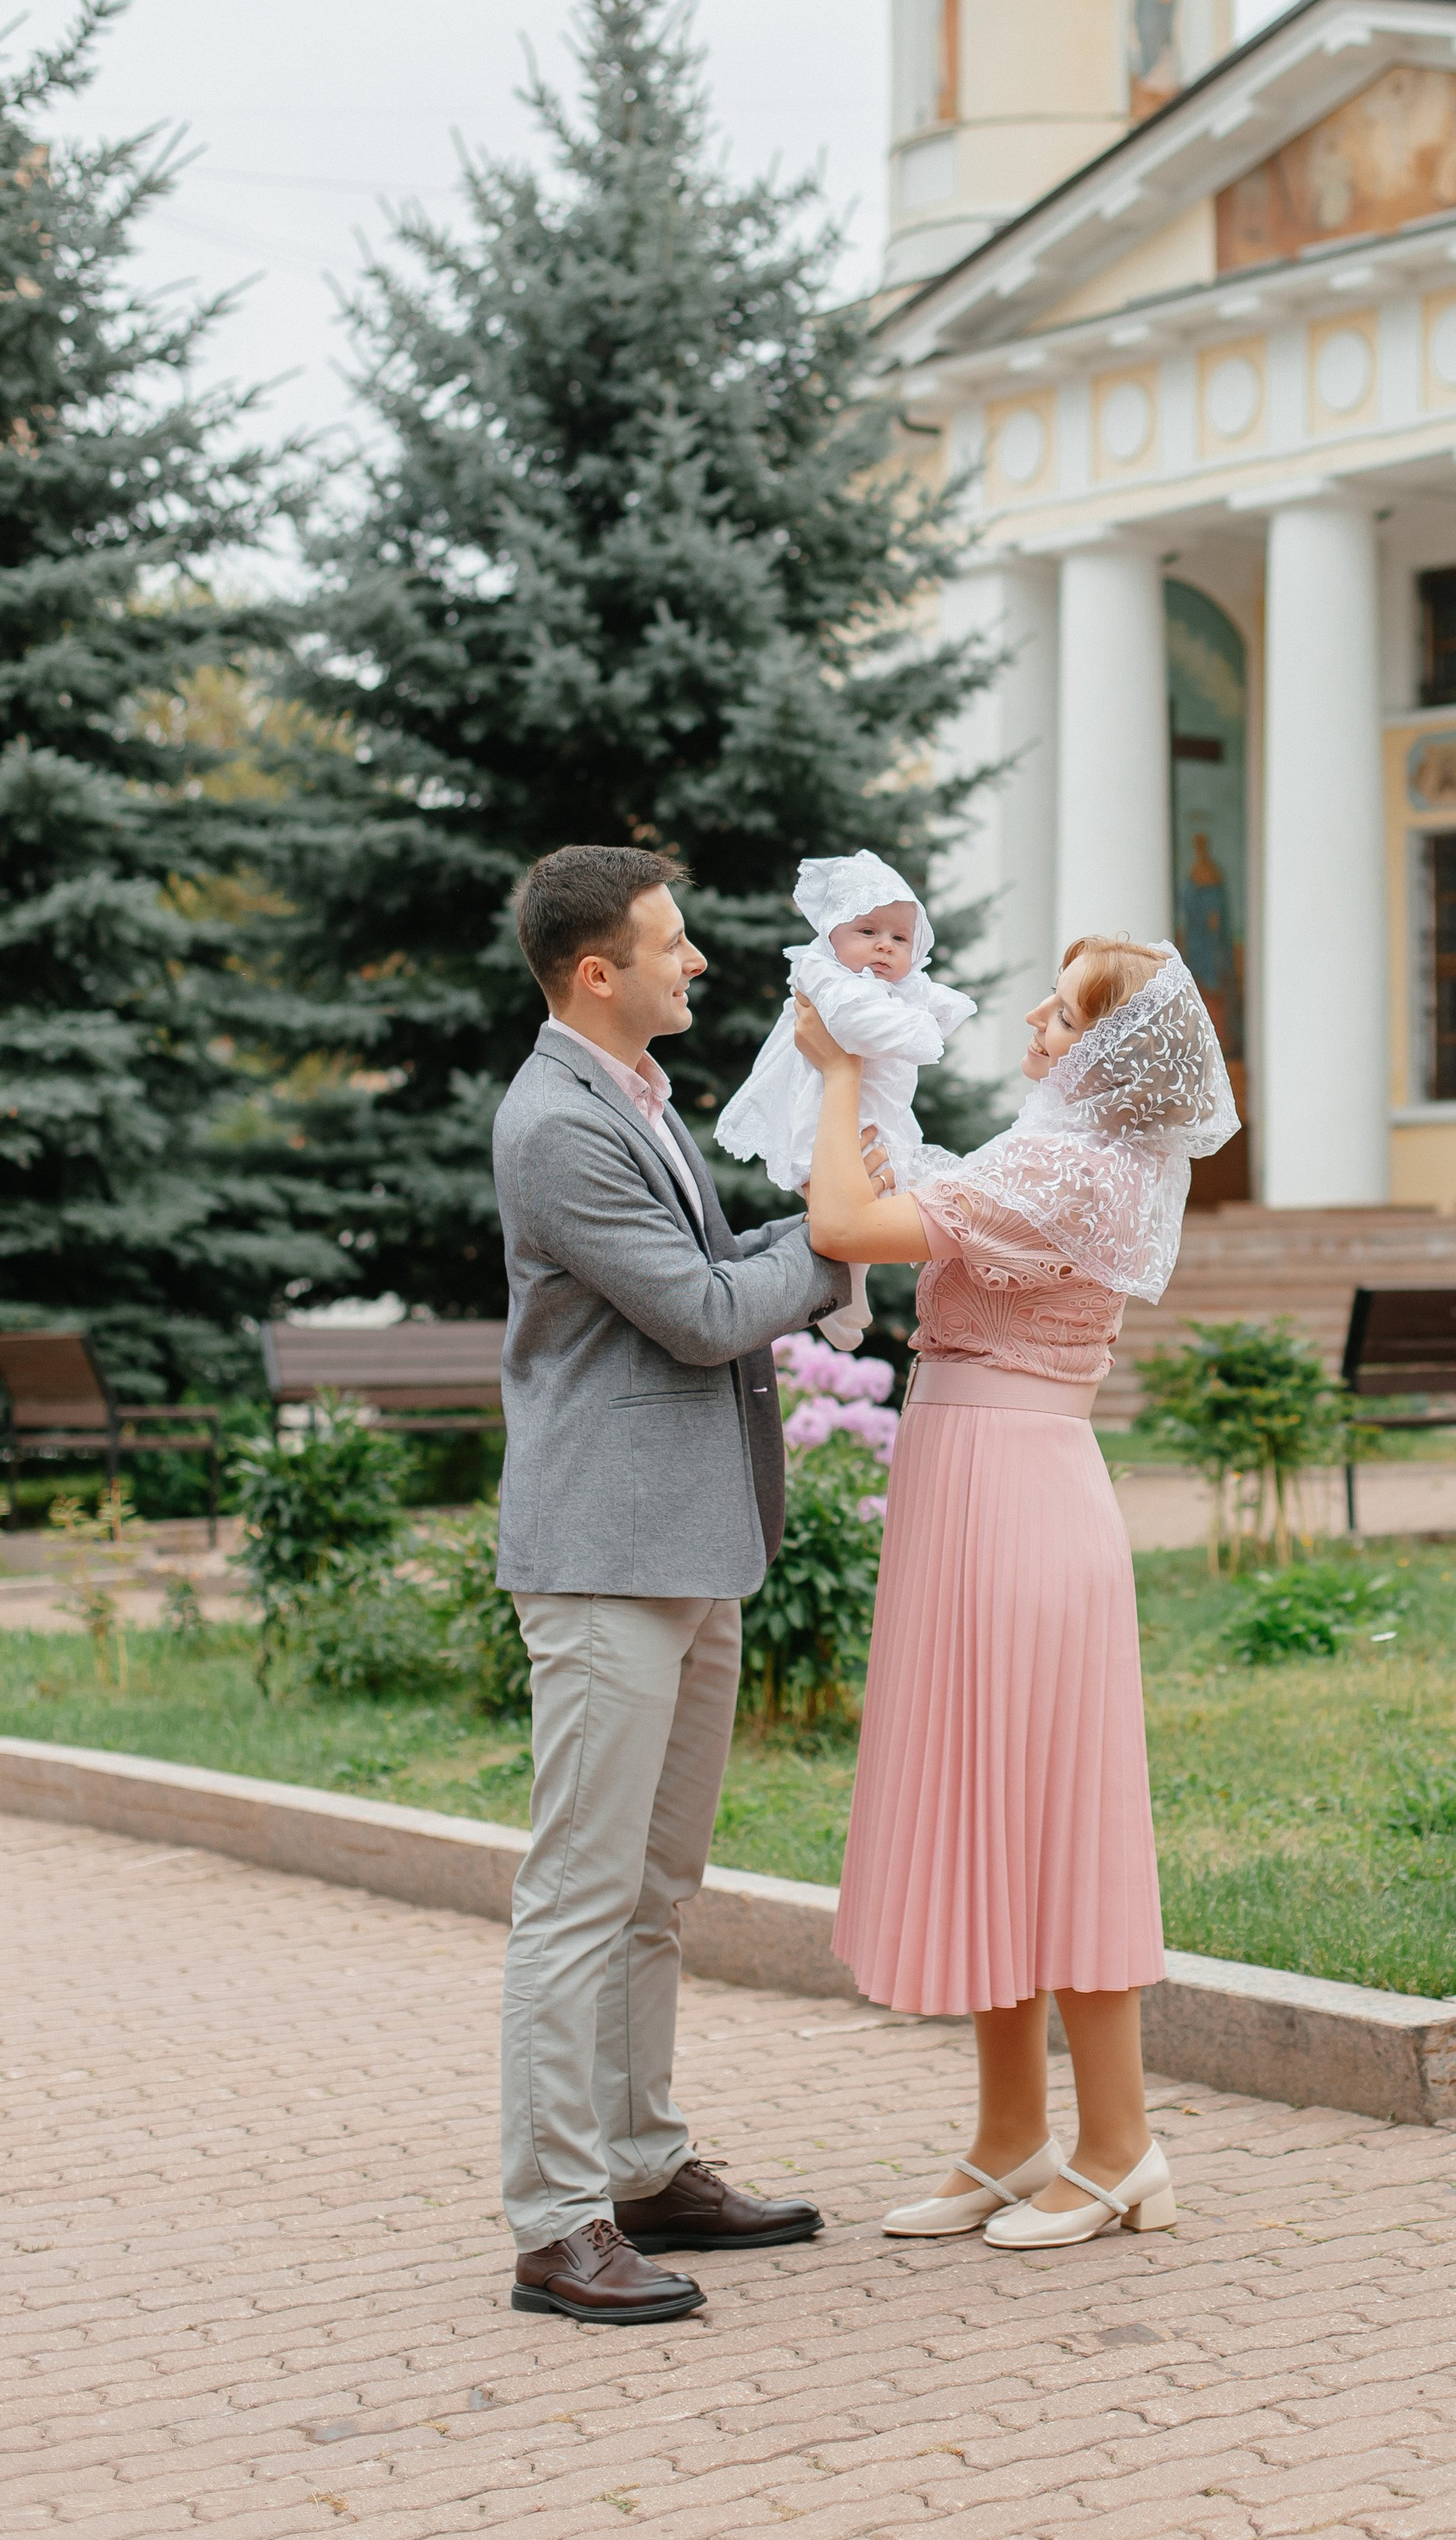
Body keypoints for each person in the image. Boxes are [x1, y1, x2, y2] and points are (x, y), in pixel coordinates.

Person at [793, 935, 1239, 2249]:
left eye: (1067, 1013)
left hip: (1016, 1493)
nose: (1038, 1024)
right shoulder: (1055, 1153)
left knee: (1049, 1816)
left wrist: (836, 1069)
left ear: (1114, 1055)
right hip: (975, 1481)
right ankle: (1010, 2138)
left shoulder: (1070, 1167)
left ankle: (1120, 2147)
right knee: (993, 1808)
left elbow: (841, 1227)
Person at [491, 844, 853, 2325]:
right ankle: (555, 2219)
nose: (696, 959)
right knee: (579, 1894)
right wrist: (838, 1247)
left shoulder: (633, 1095)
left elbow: (706, 1259)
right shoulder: (555, 1124)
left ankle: (642, 2167)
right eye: (671, 942)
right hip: (604, 1558)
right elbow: (702, 1314)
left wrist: (825, 1225)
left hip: (690, 1543)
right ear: (598, 973)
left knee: (653, 1888)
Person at [714, 850, 974, 1350]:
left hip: (873, 1110)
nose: (884, 946)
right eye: (868, 931)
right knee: (845, 1198)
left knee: (875, 1196)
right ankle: (841, 1289)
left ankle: (846, 1287)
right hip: (822, 1111)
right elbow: (858, 1026)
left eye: (900, 938)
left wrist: (942, 1008)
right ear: (832, 932)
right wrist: (922, 1029)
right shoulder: (823, 973)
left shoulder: (899, 986)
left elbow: (938, 1003)